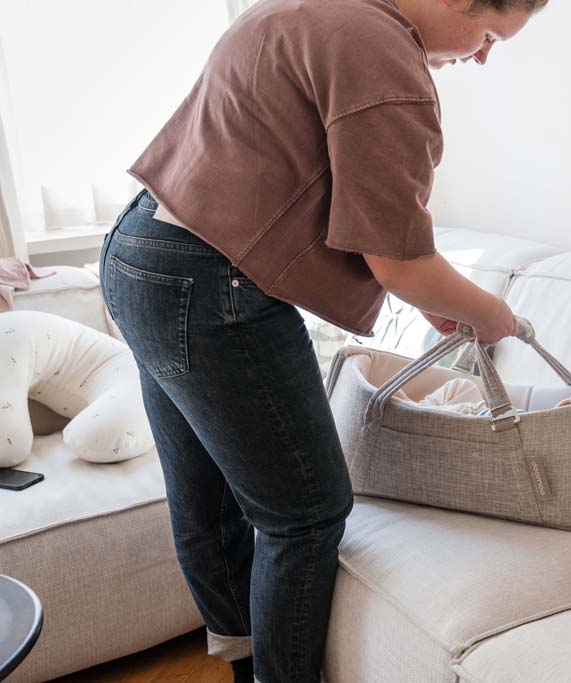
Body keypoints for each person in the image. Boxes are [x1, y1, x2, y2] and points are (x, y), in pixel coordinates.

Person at [97, 0, 546, 680]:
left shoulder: (310, 8)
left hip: (139, 256)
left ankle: (245, 663)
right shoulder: (388, 58)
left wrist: (440, 304)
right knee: (306, 513)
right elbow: (397, 260)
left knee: (206, 498)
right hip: (212, 284)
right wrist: (490, 313)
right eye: (488, 35)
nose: (483, 55)